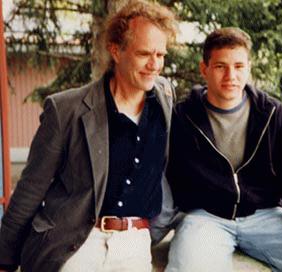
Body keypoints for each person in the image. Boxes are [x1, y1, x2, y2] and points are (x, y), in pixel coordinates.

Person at [0, 1, 178, 271]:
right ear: (116, 51)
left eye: (161, 54)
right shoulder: (66, 109)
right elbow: (30, 188)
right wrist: (4, 259)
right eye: (145, 54)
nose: (155, 65)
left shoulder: (165, 96)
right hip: (77, 241)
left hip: (135, 244)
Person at [165, 27, 282, 272]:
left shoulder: (272, 115)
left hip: (266, 217)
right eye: (221, 66)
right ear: (204, 69)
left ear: (249, 68)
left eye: (239, 66)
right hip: (205, 219)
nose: (231, 75)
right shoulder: (182, 117)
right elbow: (162, 177)